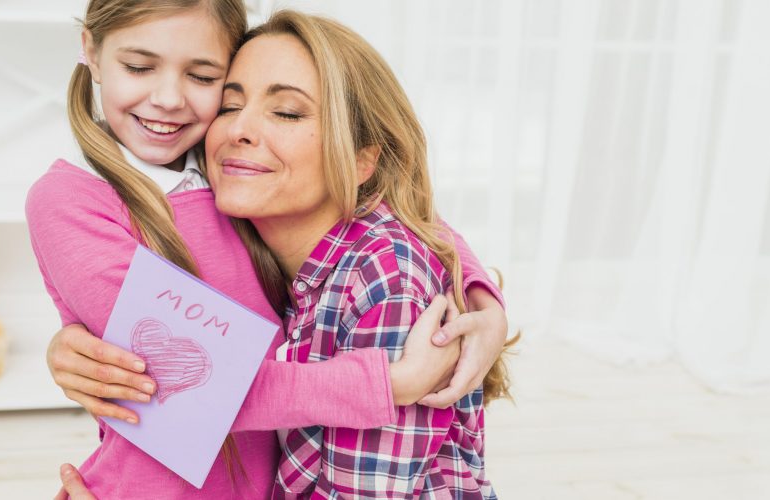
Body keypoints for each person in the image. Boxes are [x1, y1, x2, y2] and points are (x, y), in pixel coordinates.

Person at [25, 0, 509, 498]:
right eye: (139, 66)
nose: (169, 98)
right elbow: (193, 385)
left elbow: (397, 212)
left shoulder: (217, 168)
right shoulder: (78, 196)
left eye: (203, 75)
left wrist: (483, 299)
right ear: (89, 48)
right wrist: (389, 383)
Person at [206, 11, 512, 498]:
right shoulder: (236, 229)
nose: (238, 129)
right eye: (227, 105)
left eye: (287, 112)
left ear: (362, 159)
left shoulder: (385, 280)